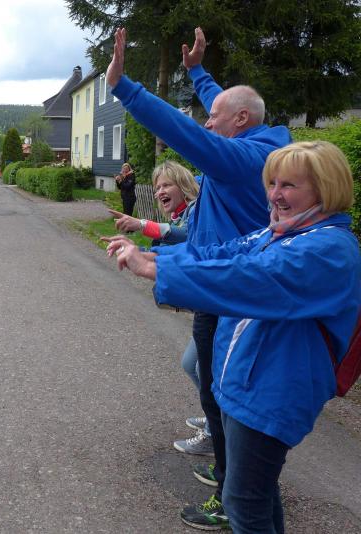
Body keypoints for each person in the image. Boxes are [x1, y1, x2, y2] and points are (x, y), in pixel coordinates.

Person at [106, 140, 360, 534]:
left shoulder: (327, 249)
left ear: (325, 188)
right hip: (249, 384)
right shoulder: (283, 232)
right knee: (256, 494)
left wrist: (159, 271)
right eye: (272, 183)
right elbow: (224, 254)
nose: (275, 194)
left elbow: (250, 278)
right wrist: (156, 255)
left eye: (289, 185)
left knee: (243, 502)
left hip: (273, 393)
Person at [106, 26, 291, 529]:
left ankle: (233, 492)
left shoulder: (246, 160)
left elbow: (188, 134)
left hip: (228, 292)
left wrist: (125, 88)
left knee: (222, 397)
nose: (207, 122)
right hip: (221, 280)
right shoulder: (252, 140)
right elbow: (223, 110)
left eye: (214, 116)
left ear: (241, 121)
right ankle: (236, 478)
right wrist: (197, 74)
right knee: (214, 389)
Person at [109, 161, 212, 456]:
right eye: (157, 187)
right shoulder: (184, 213)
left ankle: (215, 431)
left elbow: (189, 240)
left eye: (166, 185)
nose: (159, 192)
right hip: (206, 304)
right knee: (192, 365)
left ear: (184, 184)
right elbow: (174, 248)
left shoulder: (198, 210)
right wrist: (139, 253)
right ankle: (213, 416)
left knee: (203, 369)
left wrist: (142, 226)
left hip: (216, 303)